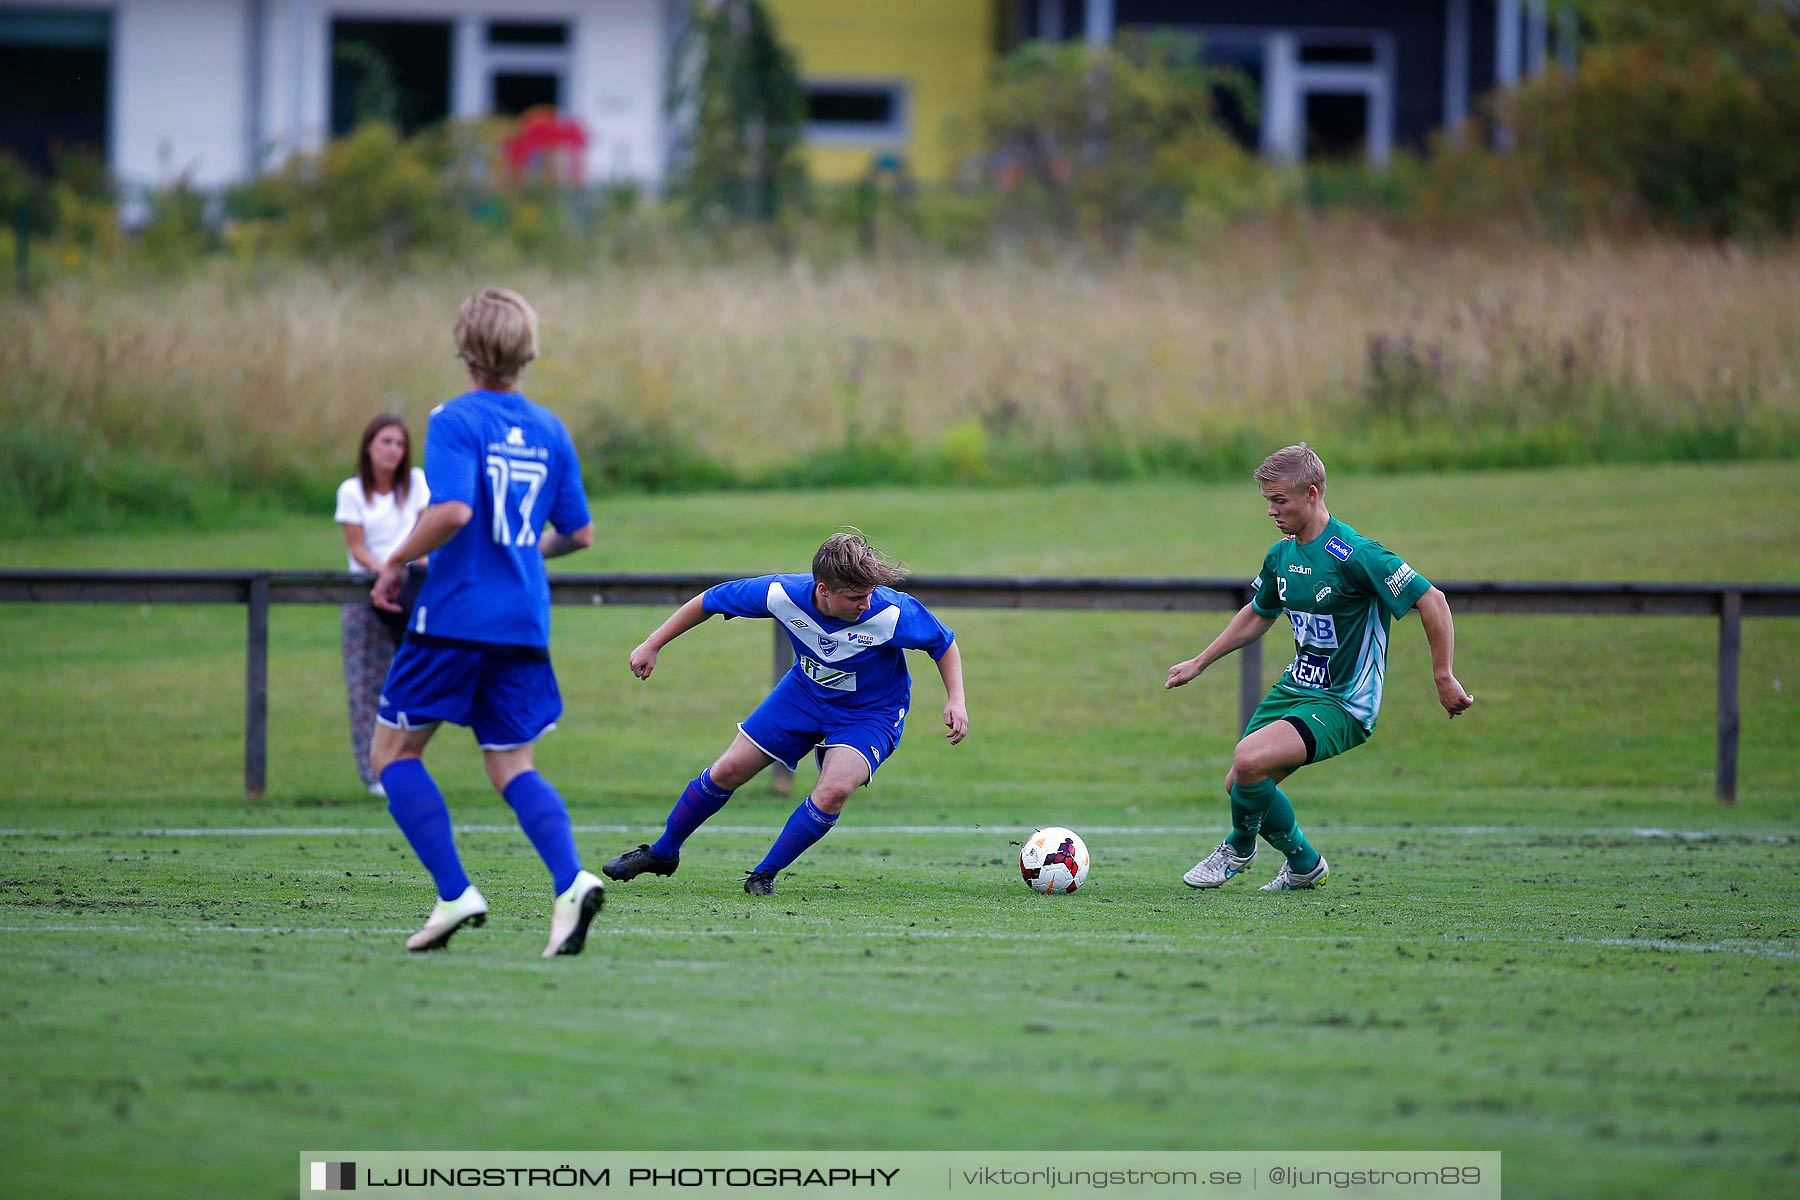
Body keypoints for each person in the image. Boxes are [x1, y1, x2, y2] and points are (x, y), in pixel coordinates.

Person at [368, 287, 605, 957]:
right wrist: (526, 551)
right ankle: (570, 882)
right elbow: (579, 533)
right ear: (527, 350)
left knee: (392, 754)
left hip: (454, 616)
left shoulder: (455, 419)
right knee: (510, 765)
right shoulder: (551, 428)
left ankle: (455, 893)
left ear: (465, 349)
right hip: (523, 623)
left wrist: (394, 561)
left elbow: (451, 513)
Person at [1164, 443, 1474, 891]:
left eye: (1280, 500)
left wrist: (1443, 676)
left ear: (1311, 493)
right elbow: (1258, 613)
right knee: (1242, 783)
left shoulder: (1356, 554)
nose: (1271, 510)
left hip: (1344, 700)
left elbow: (1433, 600)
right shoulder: (1281, 555)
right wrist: (1200, 661)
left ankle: (1238, 847)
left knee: (1248, 761)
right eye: (1267, 501)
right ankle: (1305, 865)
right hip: (1298, 688)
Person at [602, 531, 969, 896]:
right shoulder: (781, 594)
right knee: (728, 769)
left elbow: (943, 643)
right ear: (823, 589)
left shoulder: (891, 611)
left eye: (870, 593)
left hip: (871, 713)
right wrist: (653, 644)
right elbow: (708, 601)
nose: (866, 603)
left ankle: (763, 874)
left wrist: (956, 699)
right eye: (856, 597)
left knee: (836, 789)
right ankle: (663, 853)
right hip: (803, 695)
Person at [334, 415, 430, 796]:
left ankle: (405, 763)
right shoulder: (353, 491)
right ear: (369, 446)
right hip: (366, 593)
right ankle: (372, 771)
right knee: (364, 686)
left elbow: (426, 532)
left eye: (399, 444)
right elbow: (357, 547)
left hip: (412, 592)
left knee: (416, 680)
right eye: (386, 442)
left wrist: (406, 570)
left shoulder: (416, 484)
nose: (393, 450)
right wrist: (385, 570)